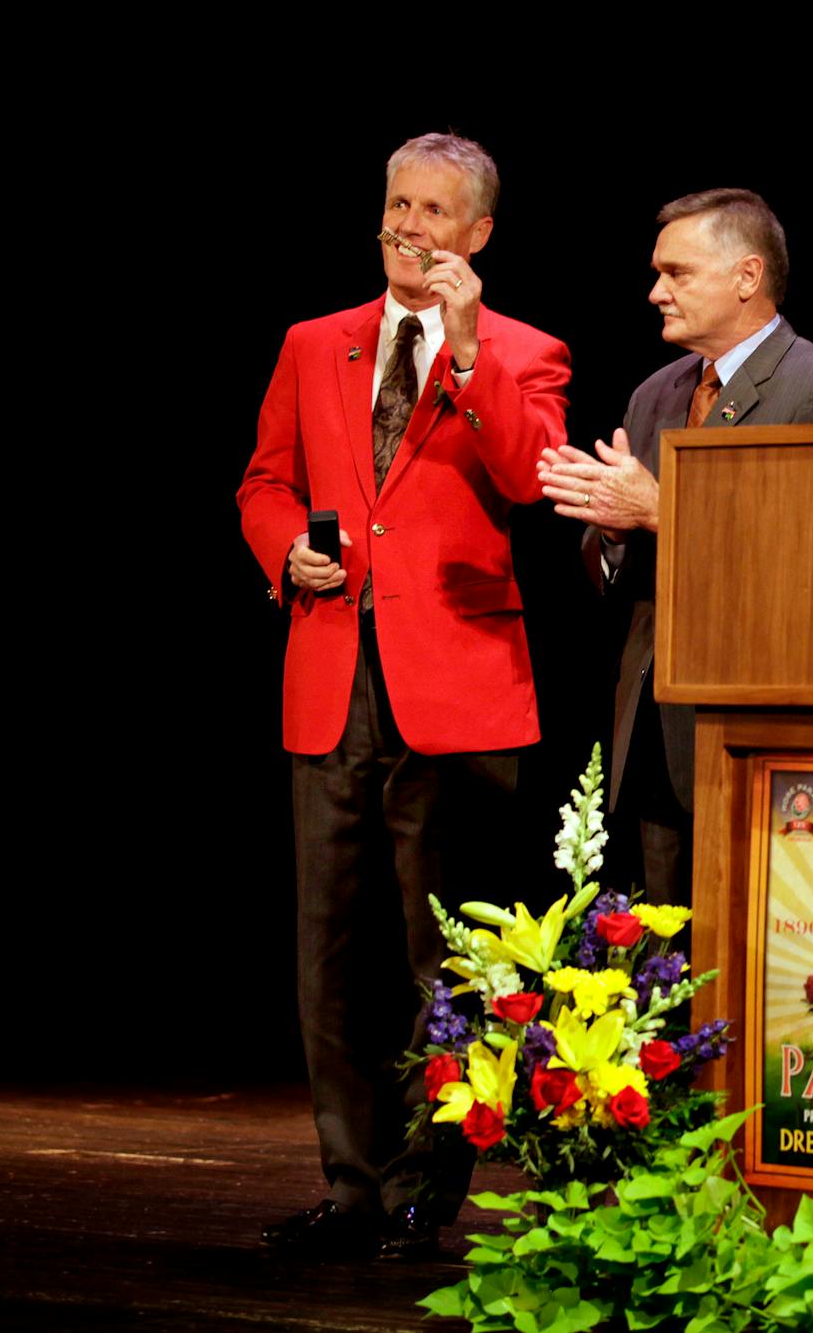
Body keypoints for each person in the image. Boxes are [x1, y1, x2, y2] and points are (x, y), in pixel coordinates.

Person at [237, 132, 570, 1258]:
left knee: (447, 954)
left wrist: (468, 353)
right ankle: (351, 1184)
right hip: (333, 676)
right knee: (330, 952)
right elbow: (265, 482)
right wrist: (289, 552)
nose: (409, 229)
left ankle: (435, 1182)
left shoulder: (525, 350)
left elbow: (529, 479)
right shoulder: (313, 343)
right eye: (396, 207)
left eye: (434, 212)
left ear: (477, 234)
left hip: (458, 690)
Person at [540, 188, 813, 902]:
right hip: (657, 715)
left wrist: (662, 509)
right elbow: (617, 568)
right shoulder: (655, 393)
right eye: (658, 273)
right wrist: (608, 525)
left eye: (677, 273)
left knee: (750, 938)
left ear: (748, 277)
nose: (656, 291)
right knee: (661, 955)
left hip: (758, 720)